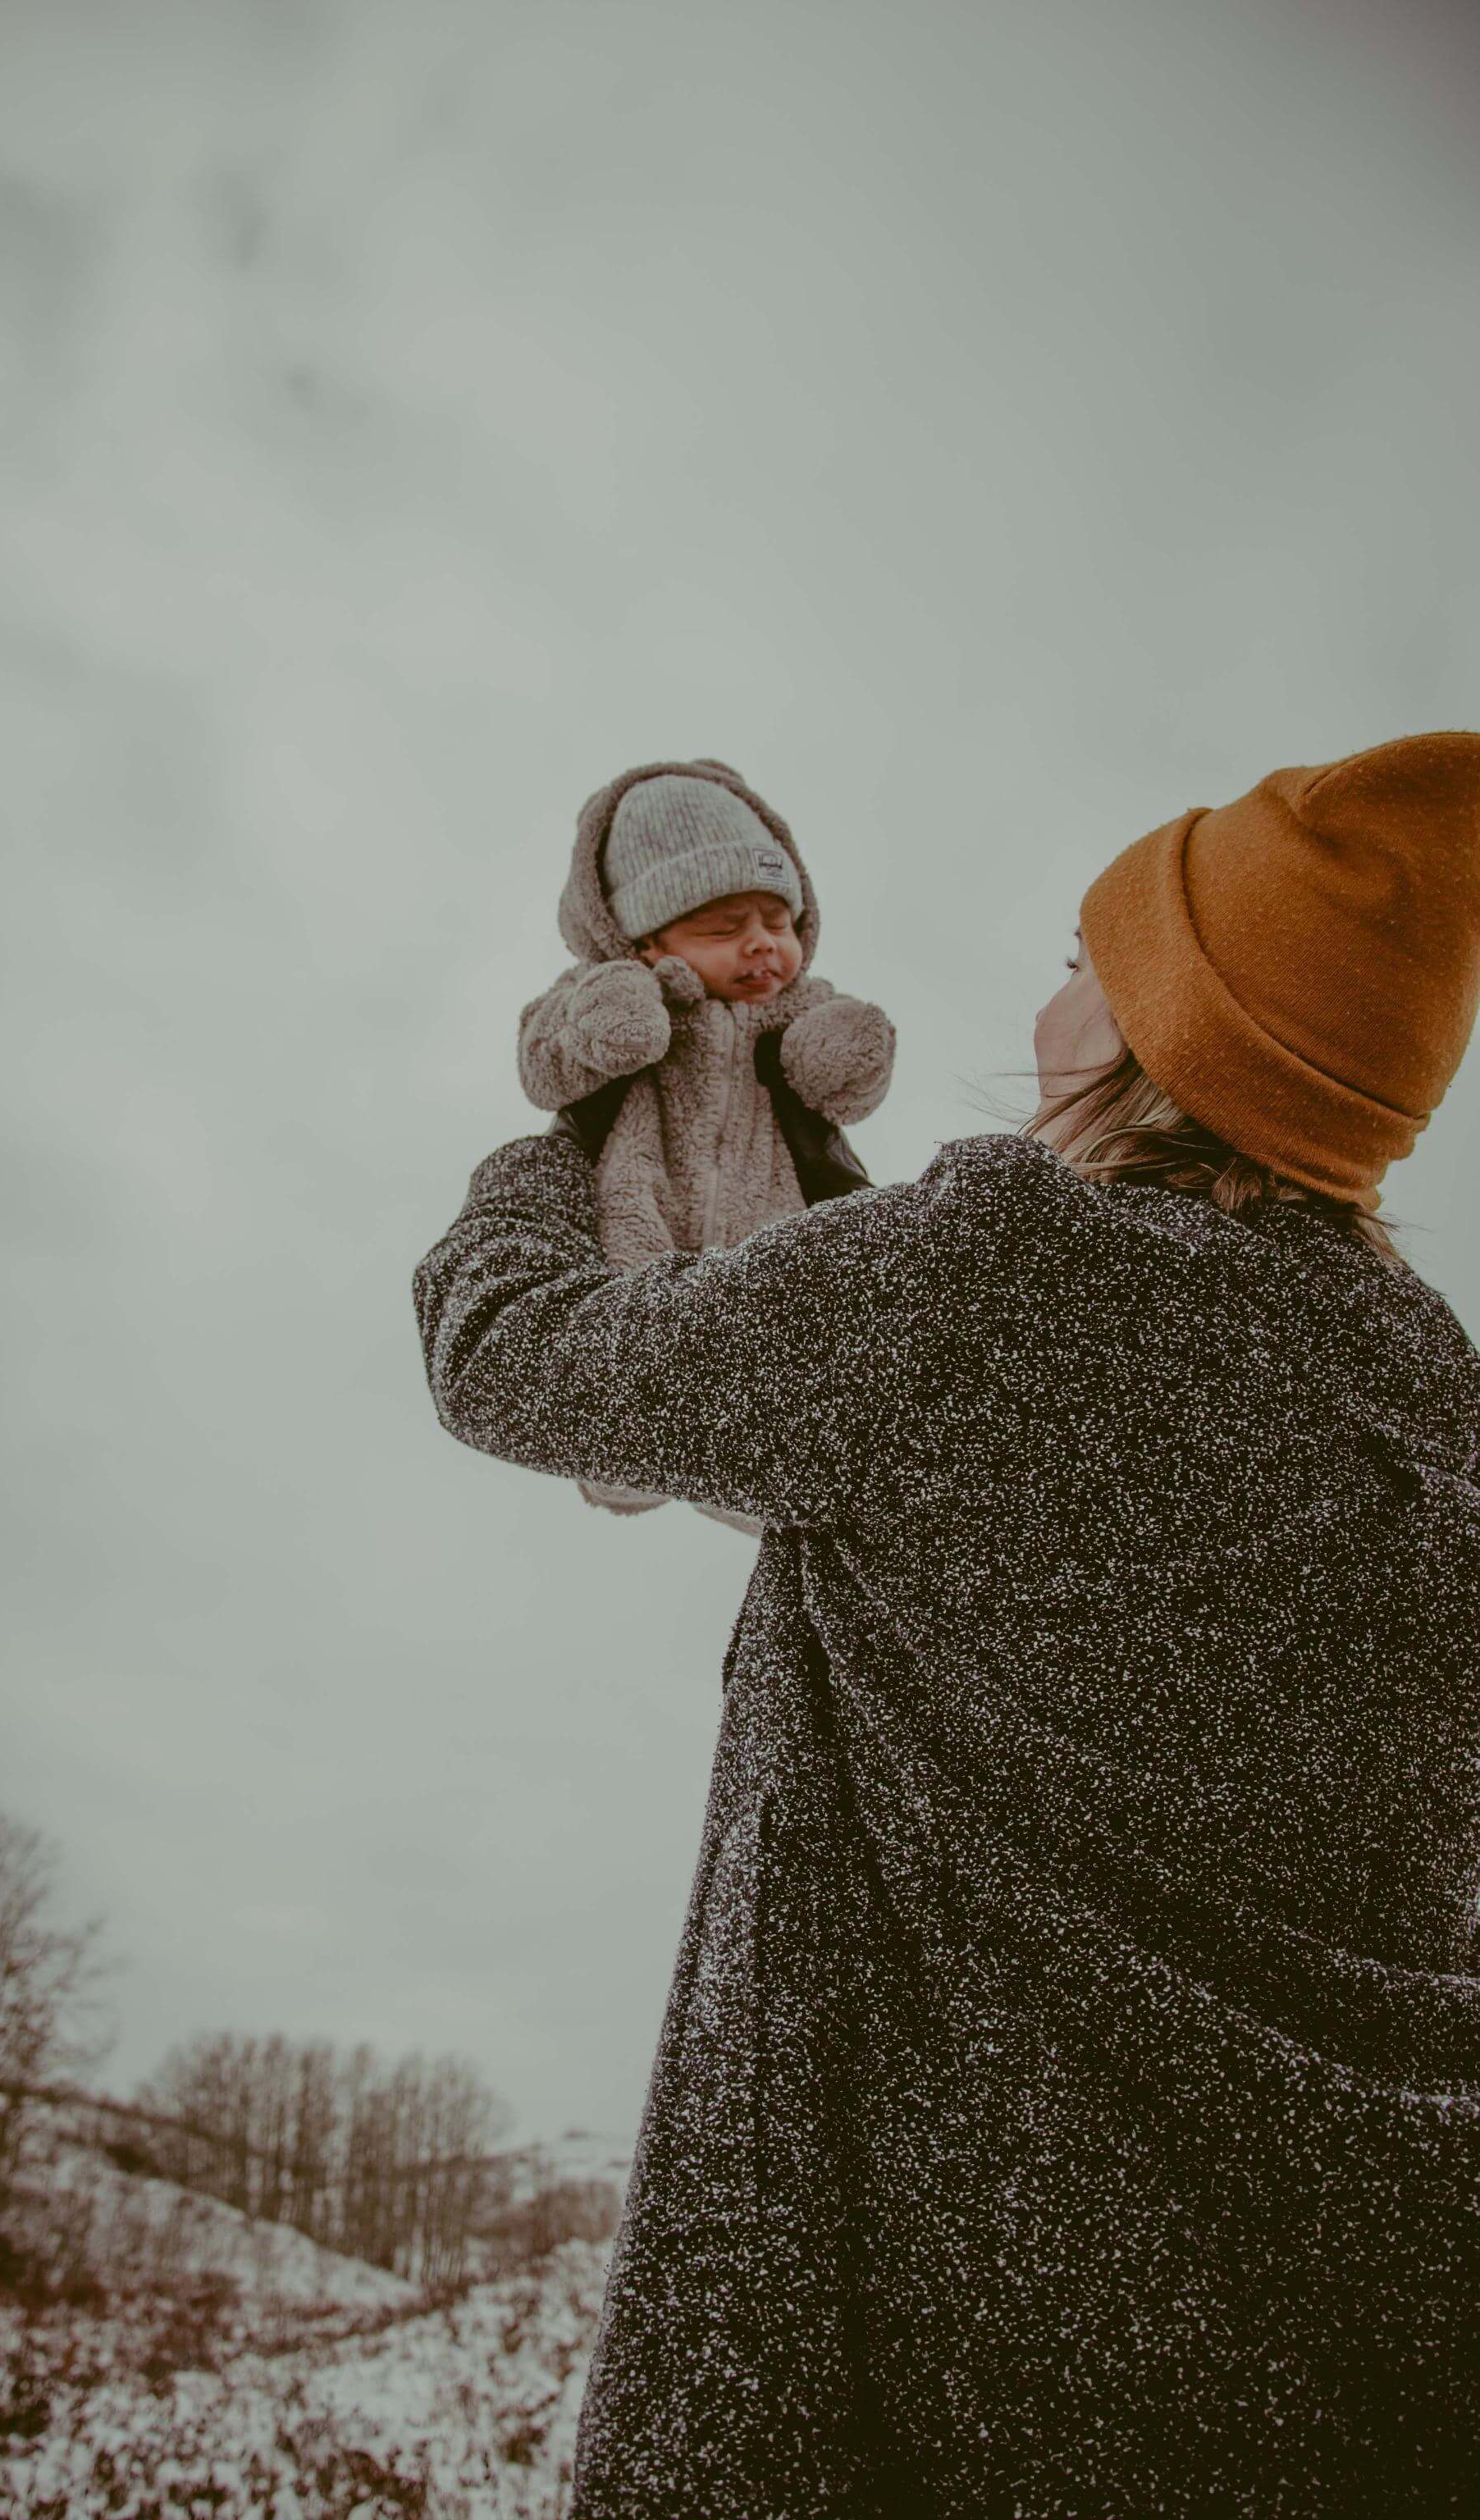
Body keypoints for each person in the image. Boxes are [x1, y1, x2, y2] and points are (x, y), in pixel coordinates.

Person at [412, 730, 1480, 2517]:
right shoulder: (1434, 1397)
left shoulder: (986, 1274)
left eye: (1091, 961)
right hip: (1386, 2356)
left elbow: (509, 1350)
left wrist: (591, 1114)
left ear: (1168, 1034)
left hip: (941, 2362)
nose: (1054, 986)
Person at [516, 757, 896, 1536]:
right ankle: (623, 1449)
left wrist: (840, 1048)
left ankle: (765, 1481)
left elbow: (841, 1087)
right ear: (648, 940)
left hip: (773, 1207)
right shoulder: (609, 988)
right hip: (641, 1194)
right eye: (724, 930)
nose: (762, 948)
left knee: (779, 1338)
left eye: (778, 924)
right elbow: (542, 1064)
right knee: (633, 1328)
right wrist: (607, 1022)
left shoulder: (798, 1008)